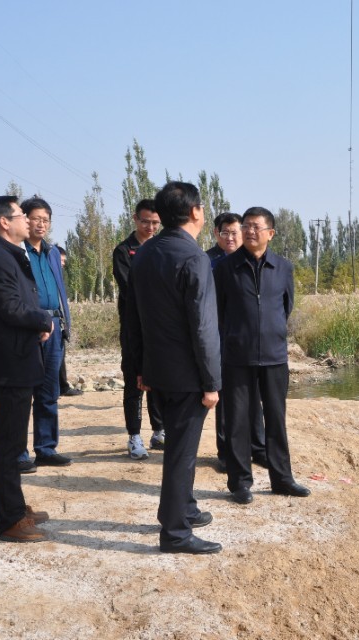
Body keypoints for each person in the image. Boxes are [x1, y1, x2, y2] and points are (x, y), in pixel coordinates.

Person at [125, 181, 222, 555]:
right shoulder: (193, 257)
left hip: (158, 370)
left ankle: (185, 509)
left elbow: (131, 320)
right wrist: (211, 381)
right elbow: (203, 327)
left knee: (179, 449)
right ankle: (176, 533)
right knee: (182, 453)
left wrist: (138, 369)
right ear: (196, 212)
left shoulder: (145, 253)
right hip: (187, 375)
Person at [0, 195, 53, 542]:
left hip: (16, 361)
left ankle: (16, 507)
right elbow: (11, 308)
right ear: (5, 222)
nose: (27, 221)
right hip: (6, 364)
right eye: (21, 215)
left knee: (13, 442)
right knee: (6, 445)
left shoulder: (6, 255)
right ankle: (9, 520)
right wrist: (43, 318)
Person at [214, 206, 309, 504]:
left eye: (256, 226)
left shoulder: (283, 267)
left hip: (274, 356)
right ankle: (240, 482)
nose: (250, 231)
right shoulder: (225, 268)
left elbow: (286, 306)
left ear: (271, 233)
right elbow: (218, 311)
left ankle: (282, 478)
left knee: (276, 419)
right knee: (238, 421)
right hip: (237, 357)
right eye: (246, 226)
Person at [207, 212, 267, 473]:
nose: (232, 237)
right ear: (216, 234)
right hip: (218, 337)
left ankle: (257, 447)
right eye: (226, 233)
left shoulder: (249, 259)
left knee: (253, 395)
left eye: (236, 232)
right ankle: (226, 452)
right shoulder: (207, 261)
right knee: (224, 397)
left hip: (248, 340)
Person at [19, 197, 73, 469]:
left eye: (45, 219)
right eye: (35, 218)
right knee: (22, 391)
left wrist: (65, 324)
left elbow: (59, 290)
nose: (41, 224)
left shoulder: (52, 252)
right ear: (23, 218)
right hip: (27, 328)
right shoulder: (17, 252)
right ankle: (18, 454)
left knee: (48, 390)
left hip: (53, 327)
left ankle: (46, 448)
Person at [113, 199, 164, 460]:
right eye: (146, 221)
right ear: (135, 219)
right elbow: (130, 288)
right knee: (135, 379)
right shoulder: (124, 251)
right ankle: (134, 436)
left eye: (156, 222)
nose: (151, 226)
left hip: (159, 327)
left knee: (158, 378)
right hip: (135, 326)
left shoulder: (161, 248)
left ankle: (159, 430)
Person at [57, 246, 82, 397]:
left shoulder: (59, 277)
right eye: (61, 260)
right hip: (52, 322)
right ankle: (60, 387)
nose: (63, 264)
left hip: (60, 322)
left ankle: (62, 386)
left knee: (60, 355)